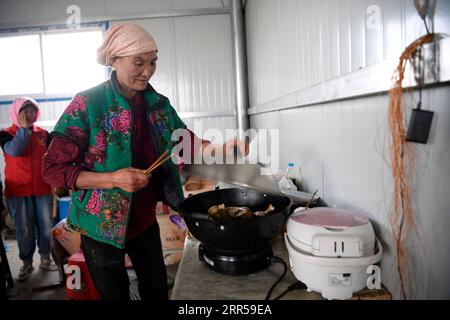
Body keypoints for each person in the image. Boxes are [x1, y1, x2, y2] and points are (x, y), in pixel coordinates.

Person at [42, 23, 247, 300]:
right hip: (99, 227)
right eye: (139, 63)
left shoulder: (157, 104)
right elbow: (54, 169)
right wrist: (114, 179)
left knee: (156, 290)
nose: (147, 71)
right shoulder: (88, 104)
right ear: (114, 60)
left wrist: (221, 149)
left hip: (143, 222)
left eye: (153, 62)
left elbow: (183, 142)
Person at [0, 98, 58, 282]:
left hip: (41, 189)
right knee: (24, 229)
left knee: (45, 226)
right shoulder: (6, 134)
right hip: (17, 192)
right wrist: (23, 129)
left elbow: (53, 159)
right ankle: (26, 262)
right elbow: (14, 151)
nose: (29, 115)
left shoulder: (43, 134)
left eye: (32, 111)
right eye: (24, 111)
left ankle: (45, 258)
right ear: (15, 113)